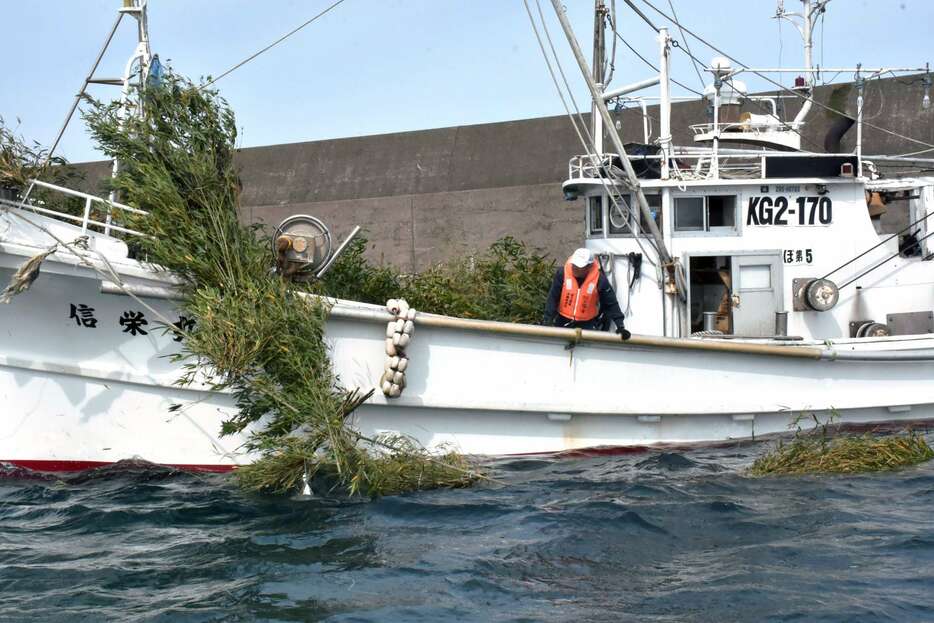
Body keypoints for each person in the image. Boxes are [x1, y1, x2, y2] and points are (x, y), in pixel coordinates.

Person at [543, 248, 631, 339]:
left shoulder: (600, 280)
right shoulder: (562, 274)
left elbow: (611, 304)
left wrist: (620, 326)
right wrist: (547, 320)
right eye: (574, 265)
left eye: (579, 267)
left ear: (589, 267)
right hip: (562, 321)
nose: (575, 268)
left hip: (587, 324)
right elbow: (552, 298)